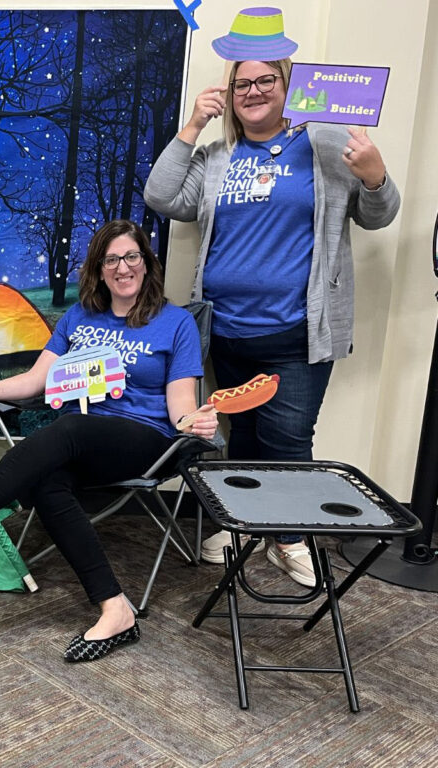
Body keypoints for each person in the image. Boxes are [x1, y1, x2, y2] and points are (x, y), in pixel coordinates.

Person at [143, 7, 400, 586]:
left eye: (266, 80)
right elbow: (162, 196)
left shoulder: (328, 145)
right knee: (241, 435)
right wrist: (191, 127)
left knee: (287, 439)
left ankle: (288, 537)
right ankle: (240, 527)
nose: (253, 92)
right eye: (242, 84)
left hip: (297, 333)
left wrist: (376, 176)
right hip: (225, 329)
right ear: (230, 93)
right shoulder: (215, 160)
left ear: (288, 85)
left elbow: (379, 217)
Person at [0, 219, 218, 662]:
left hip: (144, 441)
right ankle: (115, 608)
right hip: (78, 441)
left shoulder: (175, 323)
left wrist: (193, 422)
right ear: (99, 269)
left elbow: (180, 403)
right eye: (111, 260)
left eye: (131, 257)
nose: (123, 267)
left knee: (66, 428)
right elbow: (34, 382)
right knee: (48, 479)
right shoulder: (78, 318)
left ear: (146, 262)